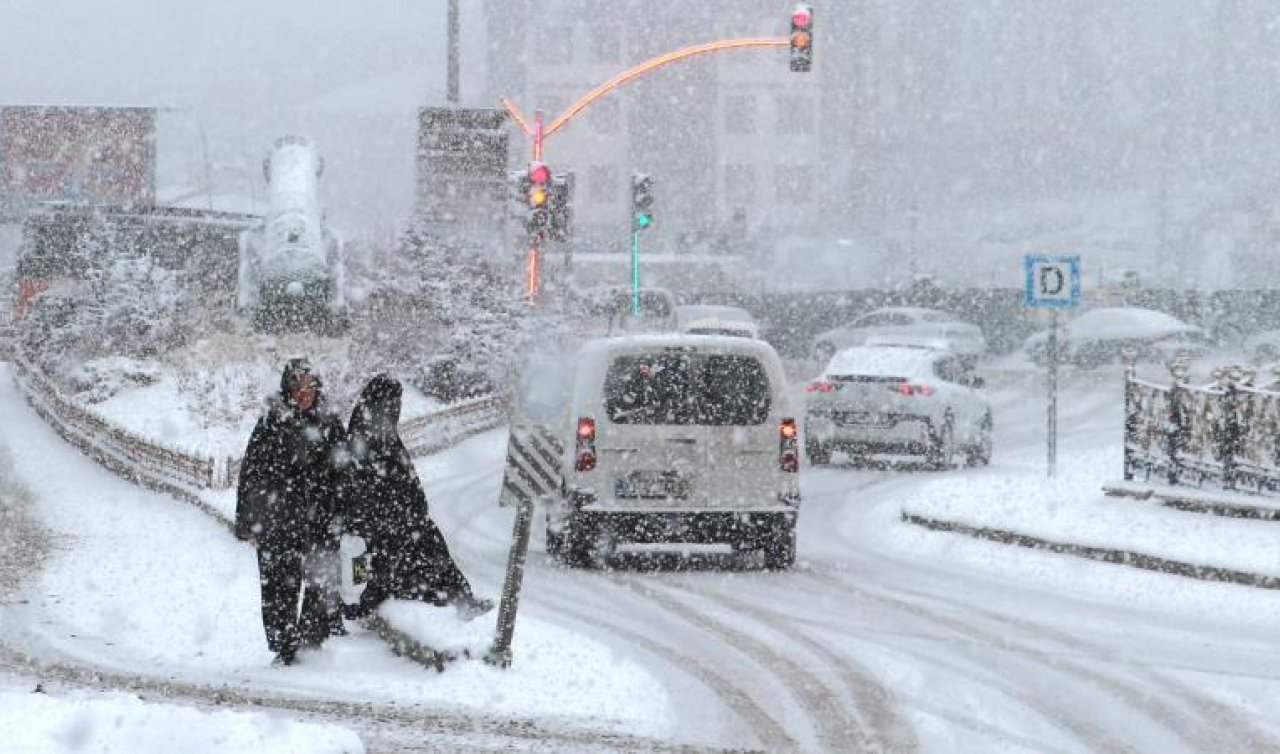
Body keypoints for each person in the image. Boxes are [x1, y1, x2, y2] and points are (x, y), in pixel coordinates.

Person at [342, 374, 493, 621]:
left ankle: (457, 598)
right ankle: (431, 601)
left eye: (397, 401)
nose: (394, 407)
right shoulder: (363, 439)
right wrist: (392, 514)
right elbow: (361, 489)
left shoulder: (385, 435)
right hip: (375, 525)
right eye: (389, 401)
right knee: (401, 556)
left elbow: (403, 481)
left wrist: (411, 509)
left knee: (430, 545)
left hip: (399, 519)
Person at [235, 358, 350, 666]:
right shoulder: (271, 422)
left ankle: (312, 641)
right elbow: (252, 470)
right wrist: (247, 518)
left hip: (319, 516)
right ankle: (286, 646)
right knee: (278, 583)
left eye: (310, 386)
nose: (304, 392)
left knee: (321, 577)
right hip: (279, 518)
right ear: (287, 388)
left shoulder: (329, 423)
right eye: (298, 386)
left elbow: (343, 470)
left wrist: (341, 510)